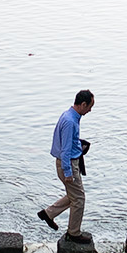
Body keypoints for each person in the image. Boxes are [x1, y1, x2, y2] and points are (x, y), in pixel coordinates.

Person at [38, 90, 94, 243]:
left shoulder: (69, 116)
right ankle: (73, 233)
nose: (90, 110)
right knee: (79, 199)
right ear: (83, 104)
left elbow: (68, 143)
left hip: (67, 163)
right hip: (68, 165)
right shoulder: (70, 121)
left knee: (74, 196)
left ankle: (48, 214)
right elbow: (65, 150)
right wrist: (68, 172)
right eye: (89, 106)